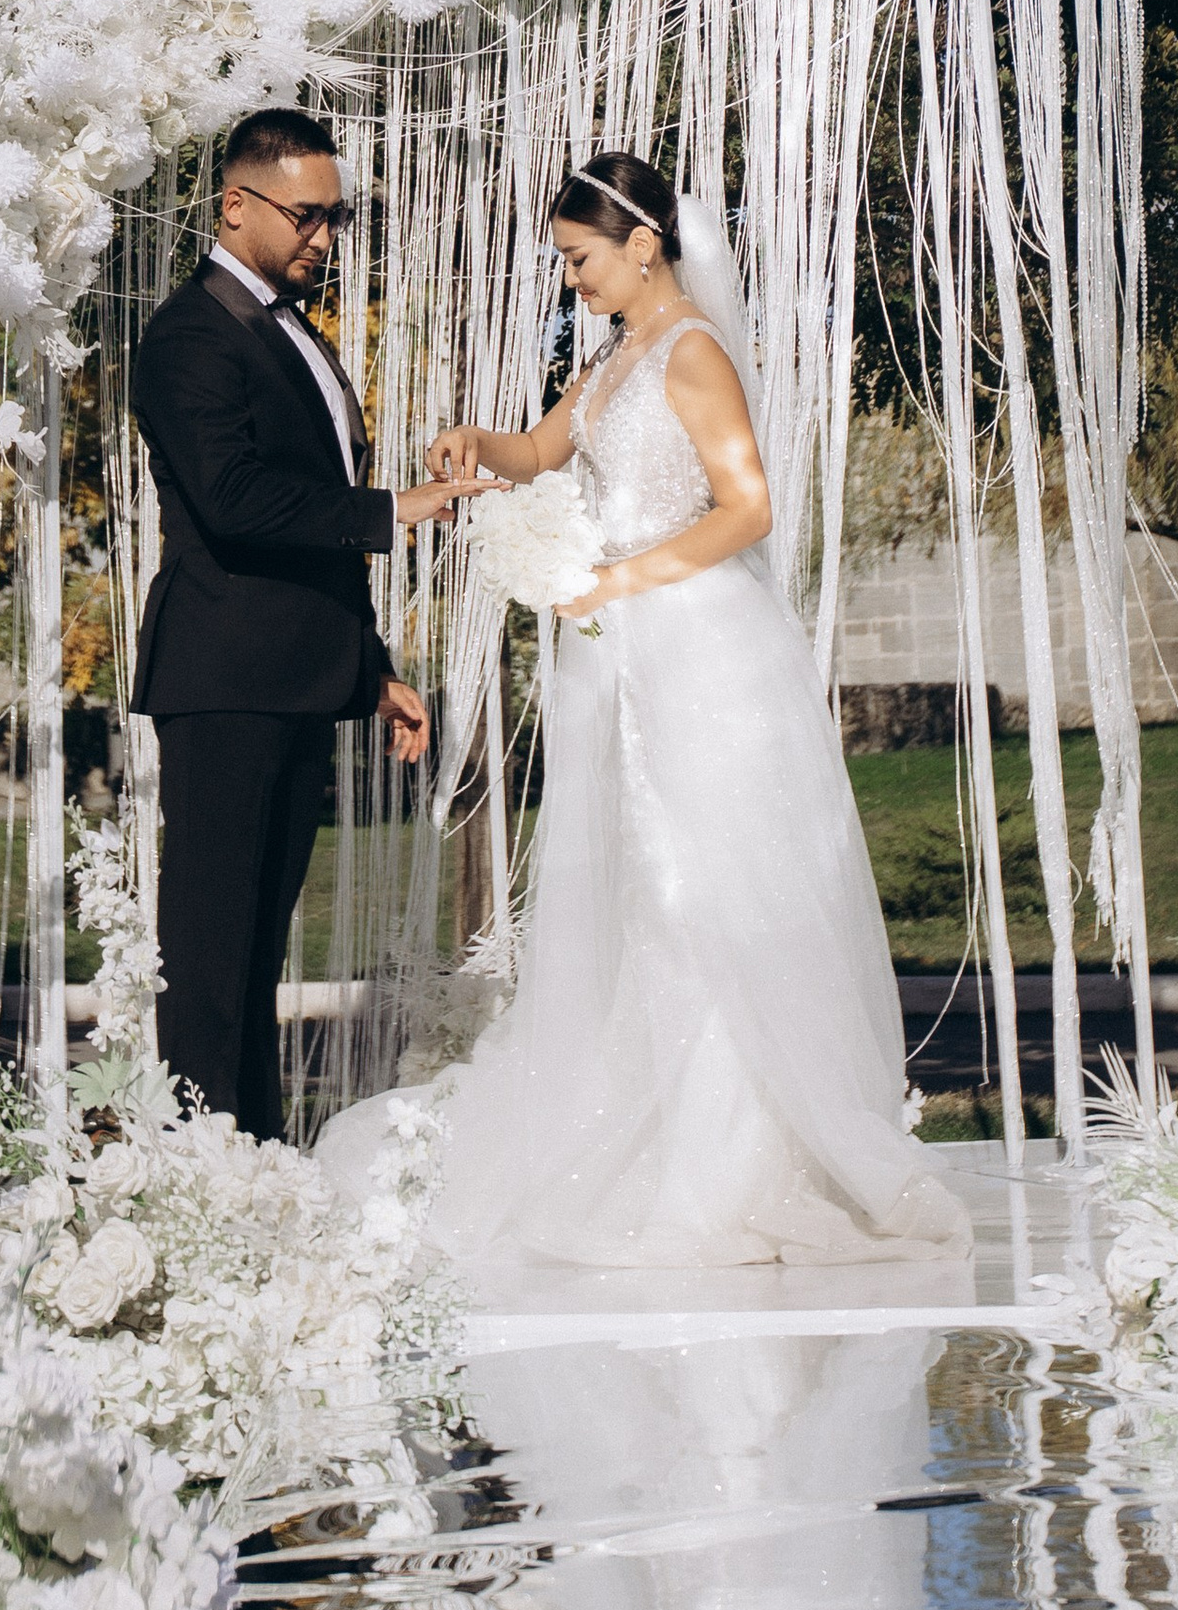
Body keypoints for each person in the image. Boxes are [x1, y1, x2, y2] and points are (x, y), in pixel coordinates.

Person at [358, 150, 973, 1275]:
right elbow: (543, 450)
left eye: (580, 259)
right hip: (621, 656)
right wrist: (474, 446)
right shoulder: (611, 359)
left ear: (644, 244)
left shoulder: (691, 353)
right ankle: (660, 1136)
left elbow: (746, 508)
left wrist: (618, 579)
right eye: (562, 263)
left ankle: (732, 1163)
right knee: (640, 893)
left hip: (696, 652)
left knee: (704, 894)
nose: (571, 281)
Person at [129, 109, 470, 1138]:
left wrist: (370, 668)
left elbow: (302, 520)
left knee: (257, 949)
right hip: (224, 678)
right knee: (208, 956)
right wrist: (389, 512)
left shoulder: (294, 331)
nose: (324, 236)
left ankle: (254, 1164)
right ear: (235, 206)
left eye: (338, 215)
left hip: (295, 676)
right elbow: (233, 500)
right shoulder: (188, 335)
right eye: (307, 215)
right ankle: (198, 1165)